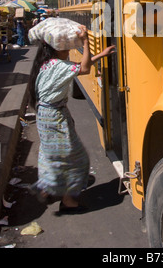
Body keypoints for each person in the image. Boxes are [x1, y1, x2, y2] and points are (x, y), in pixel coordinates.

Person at [28, 24, 115, 213]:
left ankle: (45, 188)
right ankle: (68, 201)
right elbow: (83, 69)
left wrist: (101, 55)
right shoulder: (58, 66)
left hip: (45, 116)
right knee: (75, 158)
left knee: (51, 153)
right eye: (66, 48)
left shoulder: (47, 63)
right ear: (57, 49)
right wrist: (85, 41)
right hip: (54, 118)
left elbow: (79, 66)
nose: (68, 51)